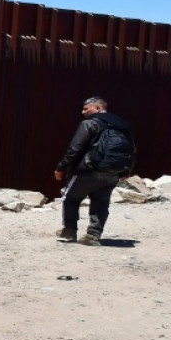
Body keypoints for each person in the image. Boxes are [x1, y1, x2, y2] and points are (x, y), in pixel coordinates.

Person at [54, 96, 136, 246]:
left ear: (98, 108)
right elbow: (132, 149)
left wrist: (61, 167)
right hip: (113, 172)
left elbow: (75, 148)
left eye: (86, 108)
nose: (83, 112)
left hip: (89, 170)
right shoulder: (121, 125)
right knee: (101, 203)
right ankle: (93, 235)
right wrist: (126, 170)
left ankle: (70, 231)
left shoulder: (90, 123)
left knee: (70, 198)